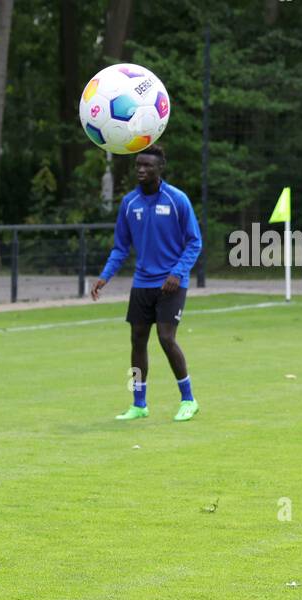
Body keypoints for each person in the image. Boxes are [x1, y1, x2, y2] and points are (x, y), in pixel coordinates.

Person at [91, 145, 202, 422]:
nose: (141, 169)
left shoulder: (177, 200)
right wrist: (105, 276)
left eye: (147, 165)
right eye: (138, 165)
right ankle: (139, 403)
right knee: (137, 340)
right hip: (142, 282)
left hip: (171, 283)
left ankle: (188, 399)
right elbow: (121, 247)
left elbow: (194, 241)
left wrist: (177, 272)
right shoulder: (130, 203)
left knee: (166, 338)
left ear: (159, 167)